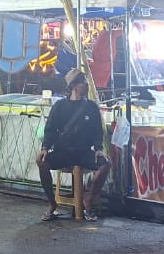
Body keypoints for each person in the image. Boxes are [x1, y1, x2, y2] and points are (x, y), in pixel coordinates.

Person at [36, 68, 110, 221]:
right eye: (84, 82)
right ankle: (52, 203)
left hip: (83, 152)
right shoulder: (60, 107)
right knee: (41, 162)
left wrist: (98, 149)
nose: (87, 85)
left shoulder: (91, 107)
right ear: (75, 85)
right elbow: (49, 129)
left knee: (105, 164)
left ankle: (88, 199)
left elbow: (97, 131)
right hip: (62, 152)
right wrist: (45, 148)